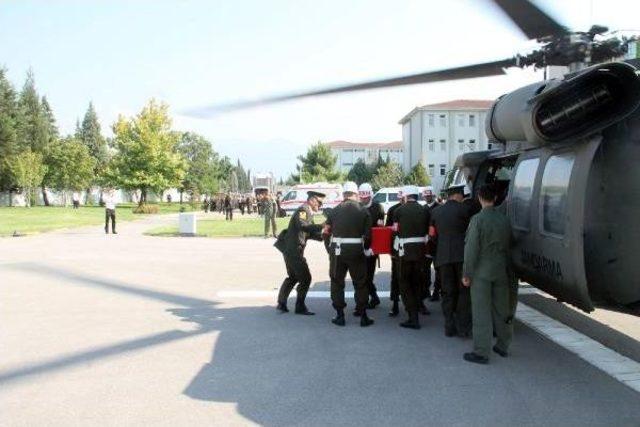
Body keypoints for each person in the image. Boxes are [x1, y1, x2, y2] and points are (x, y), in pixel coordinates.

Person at [462, 185, 513, 364]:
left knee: (481, 312)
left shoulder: (478, 220)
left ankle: (481, 352)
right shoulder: (504, 220)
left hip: (481, 273)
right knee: (502, 310)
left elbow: (471, 249)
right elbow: (509, 246)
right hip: (501, 270)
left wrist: (467, 273)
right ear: (496, 198)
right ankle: (503, 345)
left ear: (479, 198)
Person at [325, 181, 374, 327]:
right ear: (356, 194)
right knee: (360, 283)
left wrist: (330, 250)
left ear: (344, 194)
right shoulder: (363, 210)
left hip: (337, 250)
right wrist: (366, 249)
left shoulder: (334, 211)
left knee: (337, 282)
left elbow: (326, 232)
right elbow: (368, 235)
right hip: (356, 251)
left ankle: (340, 316)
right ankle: (363, 316)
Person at [274, 191, 325, 315]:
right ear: (312, 200)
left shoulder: (308, 213)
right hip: (294, 250)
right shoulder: (303, 210)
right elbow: (303, 226)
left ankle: (281, 303)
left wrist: (324, 235)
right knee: (306, 278)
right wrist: (321, 226)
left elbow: (310, 232)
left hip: (291, 249)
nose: (320, 205)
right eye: (319, 202)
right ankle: (300, 307)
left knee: (293, 277)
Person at [430, 184, 471, 337]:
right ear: (458, 195)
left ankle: (449, 325)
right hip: (461, 256)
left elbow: (432, 236)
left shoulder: (435, 212)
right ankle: (463, 327)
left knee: (447, 291)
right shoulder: (465, 210)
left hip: (443, 257)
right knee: (463, 291)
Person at [393, 185, 431, 329]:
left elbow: (395, 232)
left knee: (404, 284)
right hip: (420, 252)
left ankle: (412, 317)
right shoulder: (425, 211)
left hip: (404, 253)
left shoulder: (399, 211)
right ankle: (418, 307)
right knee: (417, 283)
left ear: (406, 196)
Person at [358, 182, 384, 309]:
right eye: (362, 197)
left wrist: (374, 248)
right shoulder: (357, 207)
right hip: (359, 245)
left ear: (371, 195)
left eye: (366, 197)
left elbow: (380, 230)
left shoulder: (378, 207)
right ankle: (372, 297)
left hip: (372, 248)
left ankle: (373, 297)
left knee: (368, 276)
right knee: (362, 276)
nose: (364, 199)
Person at [385, 188, 404, 317]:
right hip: (396, 249)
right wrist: (390, 250)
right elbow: (388, 231)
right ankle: (395, 304)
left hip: (408, 248)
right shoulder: (393, 210)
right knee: (396, 277)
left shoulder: (417, 209)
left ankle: (418, 303)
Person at [423, 187, 442, 302]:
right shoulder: (423, 208)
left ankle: (436, 291)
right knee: (425, 269)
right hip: (426, 243)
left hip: (436, 243)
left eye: (429, 196)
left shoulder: (439, 208)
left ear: (433, 195)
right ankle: (426, 290)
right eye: (425, 196)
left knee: (438, 269)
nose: (427, 198)